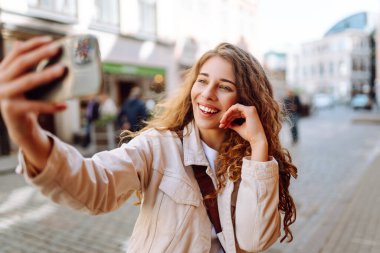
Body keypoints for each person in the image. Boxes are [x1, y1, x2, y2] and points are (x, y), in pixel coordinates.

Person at [0, 37, 298, 253]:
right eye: (202, 81)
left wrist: (259, 146)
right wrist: (29, 135)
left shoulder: (253, 163)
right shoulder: (159, 146)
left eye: (224, 87)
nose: (207, 94)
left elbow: (254, 241)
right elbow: (94, 186)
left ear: (245, 100)